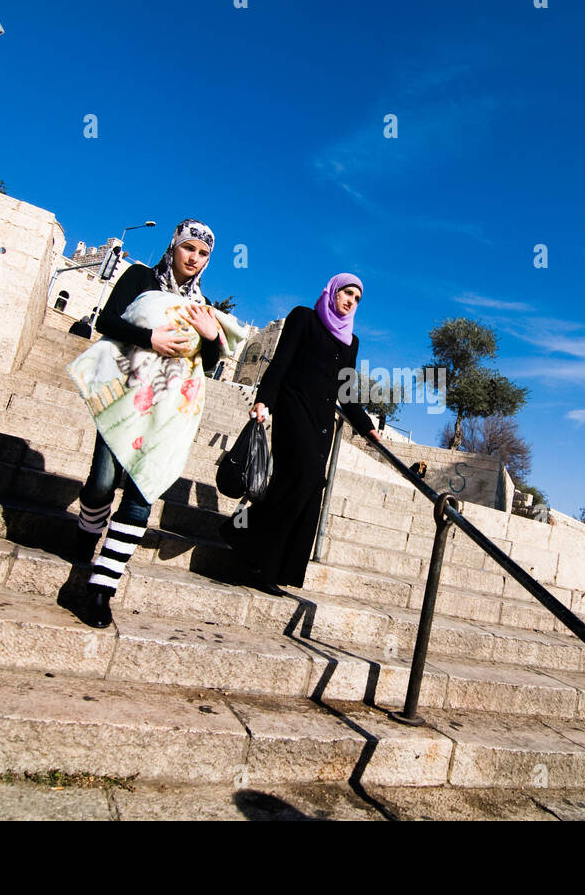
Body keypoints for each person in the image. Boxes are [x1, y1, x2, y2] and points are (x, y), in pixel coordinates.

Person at [66, 219, 241, 627]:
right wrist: (151, 339)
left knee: (142, 492)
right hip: (127, 395)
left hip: (169, 409)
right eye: (189, 249)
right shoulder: (141, 276)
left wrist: (212, 335)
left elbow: (210, 363)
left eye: (203, 254)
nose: (194, 259)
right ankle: (87, 528)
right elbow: (107, 321)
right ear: (175, 247)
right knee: (101, 483)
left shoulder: (204, 303)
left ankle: (100, 589)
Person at [219, 274, 381, 592]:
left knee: (304, 487)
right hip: (293, 411)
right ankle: (253, 552)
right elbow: (280, 364)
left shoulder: (352, 342)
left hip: (321, 424)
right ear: (332, 291)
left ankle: (264, 559)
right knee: (303, 478)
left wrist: (366, 427)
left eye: (357, 299)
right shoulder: (304, 318)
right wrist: (264, 400)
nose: (350, 301)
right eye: (346, 293)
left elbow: (346, 393)